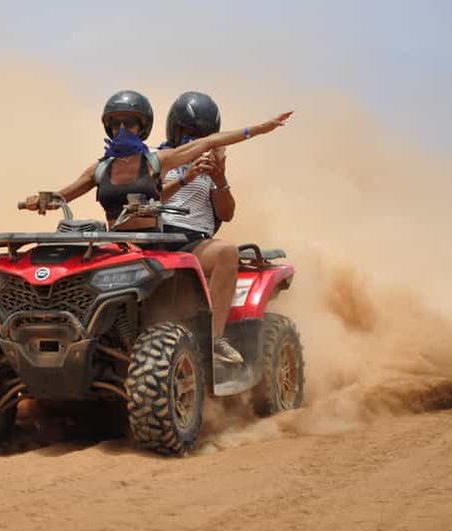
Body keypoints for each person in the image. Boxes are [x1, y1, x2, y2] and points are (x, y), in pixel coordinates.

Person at [23, 89, 292, 364]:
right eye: (116, 124)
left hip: (183, 240)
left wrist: (259, 130)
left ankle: (213, 341)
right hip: (129, 241)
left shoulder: (158, 161)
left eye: (129, 123)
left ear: (142, 126)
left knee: (226, 253)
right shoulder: (109, 166)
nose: (122, 130)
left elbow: (212, 150)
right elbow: (62, 195)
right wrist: (39, 199)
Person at [158, 91, 243, 363]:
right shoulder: (159, 159)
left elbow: (226, 214)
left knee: (227, 253)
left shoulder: (211, 168)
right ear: (174, 129)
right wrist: (186, 175)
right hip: (154, 238)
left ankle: (214, 340)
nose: (193, 140)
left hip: (193, 243)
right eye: (188, 132)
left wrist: (220, 178)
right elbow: (148, 197)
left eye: (202, 135)